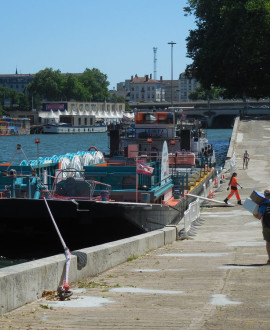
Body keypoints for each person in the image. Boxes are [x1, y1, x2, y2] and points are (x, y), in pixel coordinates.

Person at [253, 189, 270, 265]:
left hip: (266, 225)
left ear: (264, 196)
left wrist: (254, 214)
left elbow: (259, 217)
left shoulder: (263, 205)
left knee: (268, 243)